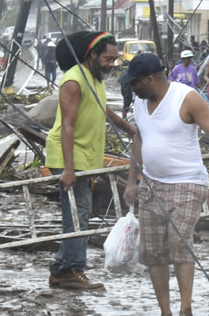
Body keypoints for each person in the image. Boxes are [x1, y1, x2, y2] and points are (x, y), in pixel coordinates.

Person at [121, 53, 209, 316]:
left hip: (187, 182)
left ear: (150, 79)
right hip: (153, 184)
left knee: (179, 244)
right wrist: (133, 181)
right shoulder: (140, 104)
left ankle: (186, 314)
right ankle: (165, 315)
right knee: (154, 251)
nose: (131, 88)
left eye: (134, 82)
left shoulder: (187, 97)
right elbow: (139, 140)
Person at [45, 31, 140, 291]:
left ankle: (63, 268)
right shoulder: (73, 81)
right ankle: (71, 269)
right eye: (107, 58)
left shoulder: (95, 79)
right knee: (77, 214)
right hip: (70, 155)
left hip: (86, 157)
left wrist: (128, 128)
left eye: (114, 59)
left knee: (80, 213)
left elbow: (104, 109)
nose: (111, 64)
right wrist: (67, 169)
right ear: (92, 55)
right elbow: (66, 126)